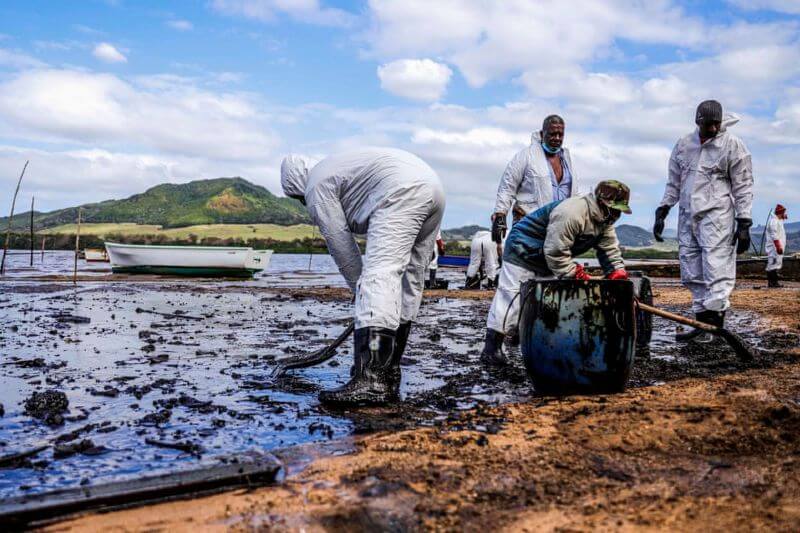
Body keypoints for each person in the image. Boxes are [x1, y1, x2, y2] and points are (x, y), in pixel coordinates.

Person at [281, 148, 445, 405]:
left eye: (298, 197)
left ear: (297, 185)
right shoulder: (335, 167)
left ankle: (371, 379)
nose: (303, 203)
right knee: (410, 281)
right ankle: (388, 370)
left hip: (401, 190)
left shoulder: (316, 185)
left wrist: (362, 293)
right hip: (433, 187)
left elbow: (341, 246)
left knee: (379, 276)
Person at [481, 180, 632, 366]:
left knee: (546, 301)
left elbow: (610, 250)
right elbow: (555, 251)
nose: (617, 215)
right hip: (522, 249)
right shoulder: (572, 213)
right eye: (614, 209)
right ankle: (491, 349)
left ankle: (524, 338)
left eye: (620, 211)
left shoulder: (604, 223)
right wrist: (573, 273)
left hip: (545, 258)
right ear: (602, 202)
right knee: (511, 298)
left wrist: (617, 271)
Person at [653, 100, 754, 341]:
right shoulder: (683, 145)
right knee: (691, 268)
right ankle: (701, 327)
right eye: (708, 125)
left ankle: (715, 328)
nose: (712, 129)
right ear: (698, 122)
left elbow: (743, 184)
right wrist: (663, 208)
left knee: (716, 268)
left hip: (717, 215)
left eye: (716, 125)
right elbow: (674, 181)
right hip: (688, 216)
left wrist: (744, 222)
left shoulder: (732, 145)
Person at [490, 114, 582, 245]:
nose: (557, 138)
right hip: (528, 226)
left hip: (559, 230)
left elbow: (574, 194)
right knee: (523, 264)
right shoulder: (526, 156)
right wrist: (500, 214)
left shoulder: (567, 160)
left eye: (560, 135)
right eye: (552, 134)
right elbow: (507, 186)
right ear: (542, 133)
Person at [766, 204, 787, 288]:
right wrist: (778, 246)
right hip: (774, 247)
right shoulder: (773, 222)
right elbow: (774, 234)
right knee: (772, 264)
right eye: (783, 213)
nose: (784, 214)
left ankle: (774, 282)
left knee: (775, 263)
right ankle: (772, 283)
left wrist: (783, 218)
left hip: (776, 247)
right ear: (780, 213)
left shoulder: (777, 220)